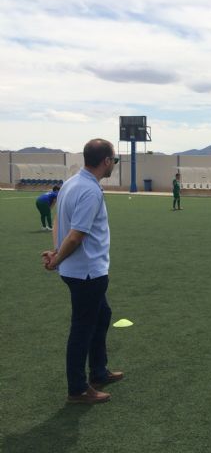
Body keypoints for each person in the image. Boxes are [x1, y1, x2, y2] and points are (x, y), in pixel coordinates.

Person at [41, 139, 123, 404]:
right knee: (82, 329)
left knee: (103, 315)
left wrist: (56, 253)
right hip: (87, 272)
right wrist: (56, 259)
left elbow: (58, 221)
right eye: (114, 161)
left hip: (79, 270)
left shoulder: (71, 183)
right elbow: (75, 235)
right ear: (106, 161)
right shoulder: (90, 191)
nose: (114, 165)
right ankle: (77, 389)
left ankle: (98, 371)